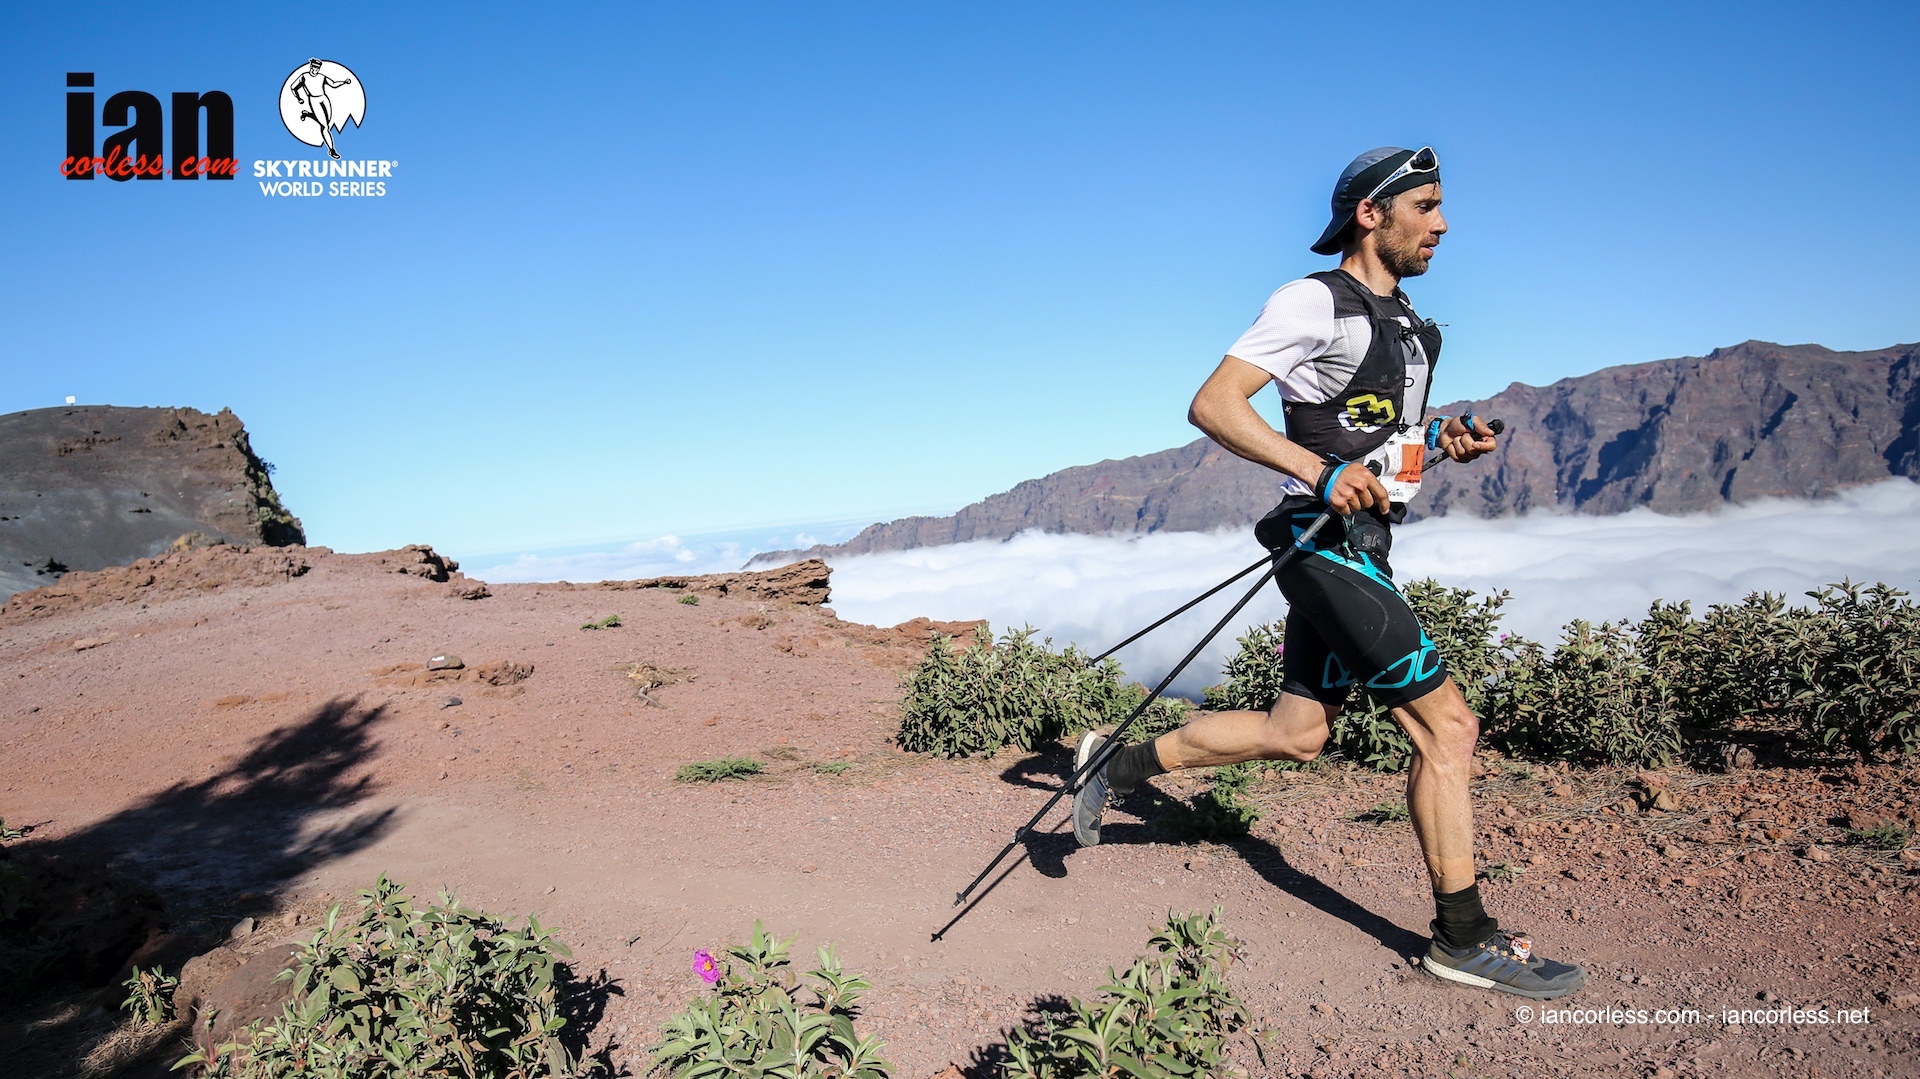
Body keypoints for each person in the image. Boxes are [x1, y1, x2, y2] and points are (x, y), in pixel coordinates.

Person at [1070, 146, 1587, 1001]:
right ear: (1371, 215)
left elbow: (1380, 444)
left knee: (1297, 732)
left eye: (1442, 205)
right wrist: (1316, 474)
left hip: (1366, 541)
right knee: (1448, 729)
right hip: (1319, 541)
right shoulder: (1313, 300)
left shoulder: (1415, 323)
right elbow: (1215, 404)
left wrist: (1446, 439)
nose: (1445, 223)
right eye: (1426, 205)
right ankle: (1463, 938)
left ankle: (1113, 766)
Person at [291, 59, 354, 160]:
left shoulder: (322, 77)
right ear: (310, 67)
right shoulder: (304, 76)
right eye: (313, 67)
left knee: (327, 121)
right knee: (324, 126)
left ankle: (307, 114)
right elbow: (293, 87)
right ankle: (331, 149)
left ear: (319, 69)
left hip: (324, 98)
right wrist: (299, 98)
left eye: (316, 68)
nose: (314, 70)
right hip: (314, 100)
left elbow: (333, 84)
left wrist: (344, 82)